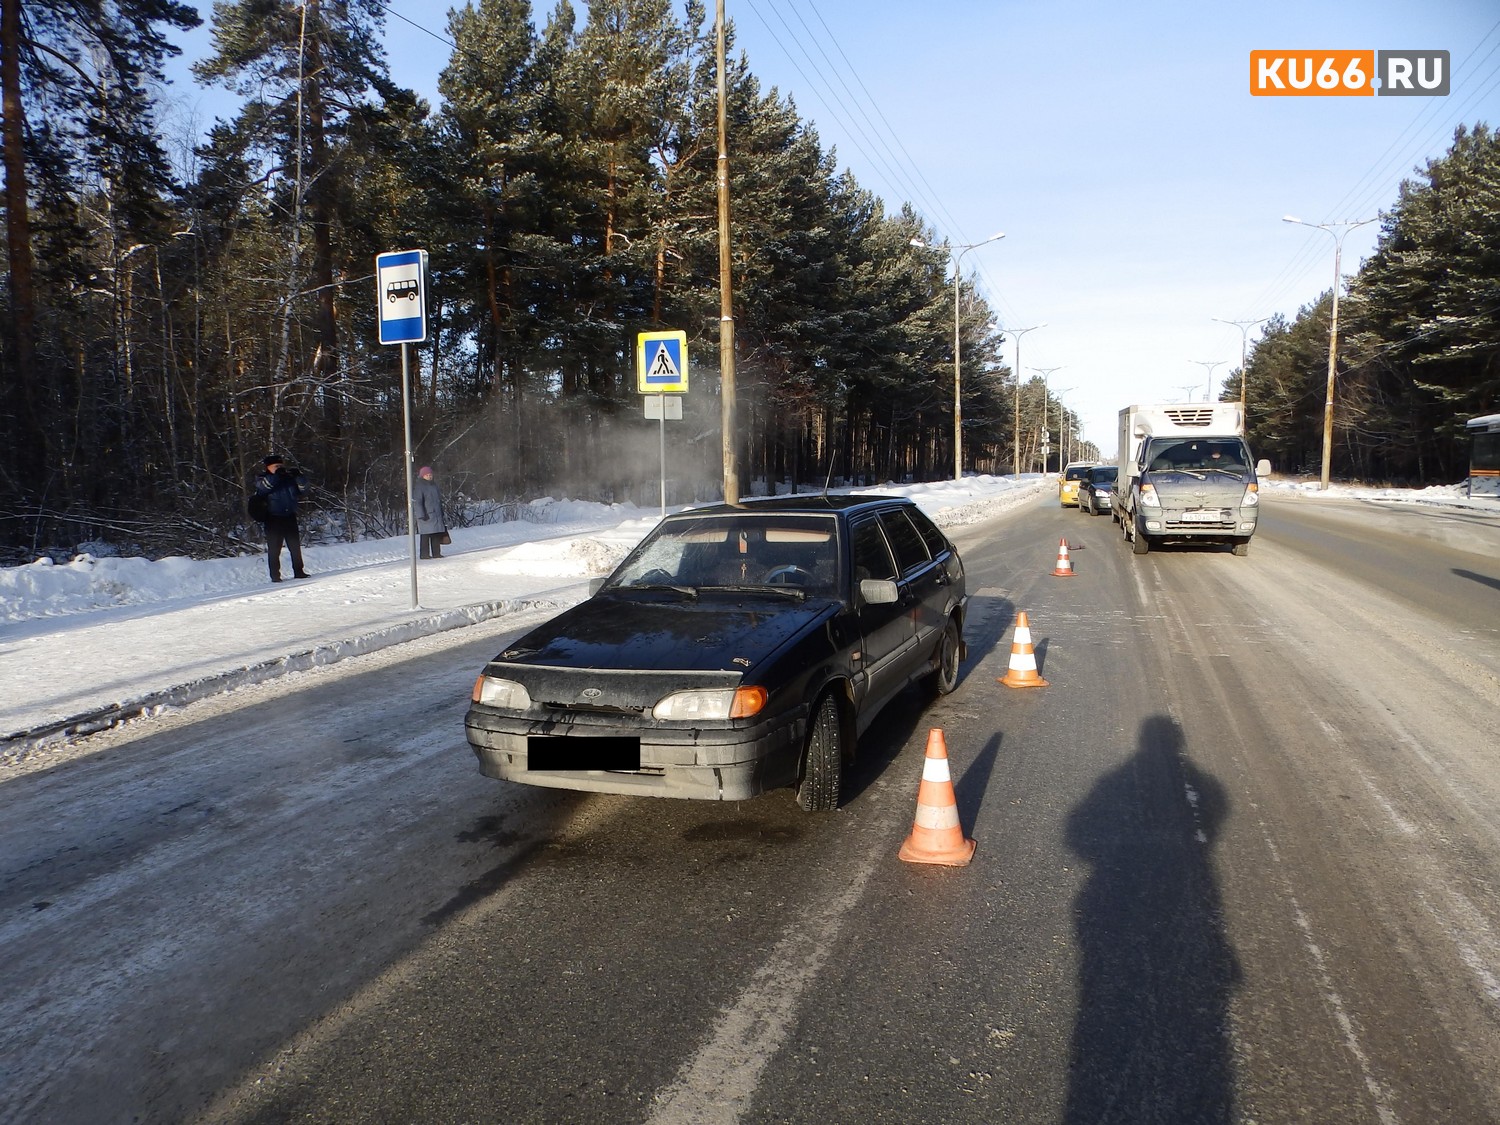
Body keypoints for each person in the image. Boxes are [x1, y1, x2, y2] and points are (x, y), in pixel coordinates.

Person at [255, 455, 309, 582]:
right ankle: (275, 576)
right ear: (269, 467)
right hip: (273, 518)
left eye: (281, 466)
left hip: (289, 516)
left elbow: (304, 490)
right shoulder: (261, 478)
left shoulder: (288, 479)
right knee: (274, 549)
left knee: (295, 547)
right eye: (276, 466)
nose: (280, 468)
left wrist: (299, 477)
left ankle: (299, 571)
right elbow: (263, 489)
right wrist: (275, 476)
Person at [414, 465, 447, 559]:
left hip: (436, 514)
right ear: (422, 476)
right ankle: (424, 554)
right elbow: (418, 501)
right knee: (425, 535)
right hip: (426, 515)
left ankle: (436, 553)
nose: (429, 476)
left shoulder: (434, 485)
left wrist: (441, 511)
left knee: (436, 534)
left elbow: (438, 500)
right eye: (427, 475)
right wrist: (421, 514)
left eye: (430, 474)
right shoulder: (420, 487)